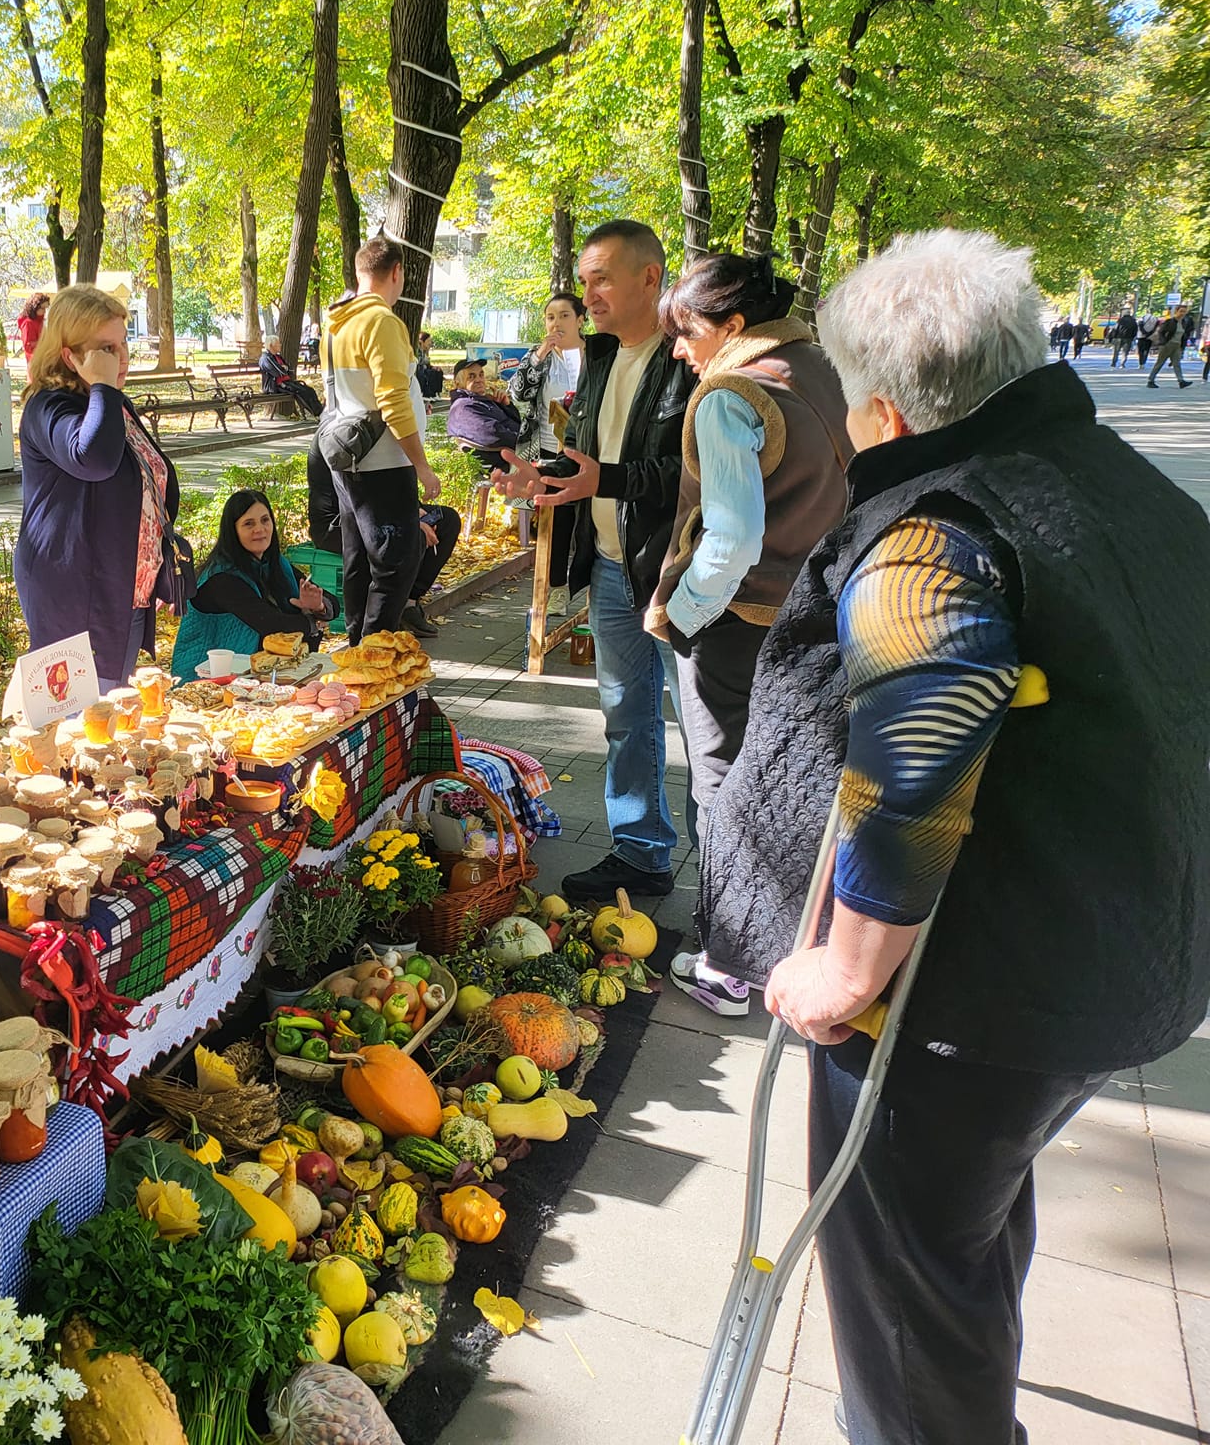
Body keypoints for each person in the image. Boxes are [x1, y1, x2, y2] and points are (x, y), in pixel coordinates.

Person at [698, 228, 1210, 1445]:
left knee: (901, 1292)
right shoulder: (1113, 480)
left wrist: (843, 965)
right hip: (1119, 951)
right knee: (960, 1224)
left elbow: (916, 750)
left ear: (876, 407)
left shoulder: (933, 529)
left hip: (970, 1001)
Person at [641, 252, 854, 1016]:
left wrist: (683, 617)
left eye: (687, 331)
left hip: (740, 624)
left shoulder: (731, 395)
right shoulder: (822, 367)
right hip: (825, 616)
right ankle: (804, 940)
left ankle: (732, 964)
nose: (678, 348)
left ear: (733, 326)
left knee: (724, 784)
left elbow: (730, 541)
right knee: (798, 779)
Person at [490, 219, 696, 903]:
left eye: (602, 277)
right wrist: (540, 477)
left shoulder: (694, 358)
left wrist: (600, 480)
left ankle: (727, 873)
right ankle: (640, 852)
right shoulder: (602, 357)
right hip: (611, 570)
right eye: (584, 281)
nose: (589, 294)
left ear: (649, 277)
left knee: (704, 733)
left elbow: (690, 473)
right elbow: (587, 459)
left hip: (679, 576)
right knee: (626, 716)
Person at [14, 284, 182, 687]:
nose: (120, 358)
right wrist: (105, 388)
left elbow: (153, 478)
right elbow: (94, 459)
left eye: (123, 345)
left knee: (110, 711)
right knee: (82, 724)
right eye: (106, 349)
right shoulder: (49, 405)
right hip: (73, 598)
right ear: (70, 354)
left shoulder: (112, 404)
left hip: (122, 590)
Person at [317, 238, 444, 644]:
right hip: (384, 464)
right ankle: (373, 653)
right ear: (397, 273)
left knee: (358, 561)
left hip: (348, 458)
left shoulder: (337, 324)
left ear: (359, 274)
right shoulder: (382, 322)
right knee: (396, 563)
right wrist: (422, 465)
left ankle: (356, 650)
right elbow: (394, 402)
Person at [170, 490, 338, 677]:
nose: (260, 529)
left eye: (265, 520)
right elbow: (271, 624)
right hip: (206, 679)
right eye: (248, 524)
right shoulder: (221, 578)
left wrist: (319, 606)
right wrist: (314, 621)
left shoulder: (275, 564)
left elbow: (330, 602)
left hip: (259, 673)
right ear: (233, 531)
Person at [304, 439, 459, 640]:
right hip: (338, 523)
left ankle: (409, 602)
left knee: (448, 520)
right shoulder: (347, 435)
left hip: (376, 512)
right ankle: (377, 628)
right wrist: (411, 521)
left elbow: (392, 486)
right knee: (410, 537)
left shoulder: (382, 436)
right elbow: (363, 498)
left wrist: (415, 510)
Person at [507, 291, 589, 460]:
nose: (556, 323)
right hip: (544, 450)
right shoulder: (539, 355)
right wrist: (540, 354)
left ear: (579, 320)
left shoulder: (597, 354)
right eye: (550, 318)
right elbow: (518, 394)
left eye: (564, 316)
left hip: (587, 450)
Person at [444, 357, 523, 471]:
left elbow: (514, 422)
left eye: (481, 375)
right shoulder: (463, 407)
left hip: (515, 453)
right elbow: (493, 434)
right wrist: (524, 441)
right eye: (471, 377)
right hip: (504, 461)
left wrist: (506, 405)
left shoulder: (481, 400)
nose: (478, 380)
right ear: (458, 384)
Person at [258, 334, 323, 417]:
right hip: (275, 386)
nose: (280, 345)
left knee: (310, 390)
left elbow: (290, 370)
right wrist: (284, 368)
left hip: (286, 382)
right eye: (278, 343)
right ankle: (316, 413)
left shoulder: (277, 356)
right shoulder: (266, 358)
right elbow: (278, 373)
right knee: (301, 391)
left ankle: (319, 411)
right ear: (271, 345)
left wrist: (284, 368)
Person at [1148, 310, 1192, 389]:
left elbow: (1183, 336)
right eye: (1180, 311)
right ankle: (1150, 380)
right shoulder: (1170, 322)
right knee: (1160, 362)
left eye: (1184, 312)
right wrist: (1164, 342)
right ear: (1176, 312)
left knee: (1177, 363)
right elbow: (1160, 332)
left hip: (1177, 345)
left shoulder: (1183, 323)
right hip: (1168, 345)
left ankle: (1181, 381)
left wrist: (1182, 347)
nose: (1182, 313)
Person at [15, 292, 50, 362]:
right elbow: (28, 346)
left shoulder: (41, 321)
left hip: (43, 360)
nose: (45, 311)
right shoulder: (28, 323)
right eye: (42, 308)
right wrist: (46, 342)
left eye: (46, 308)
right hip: (35, 362)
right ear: (35, 307)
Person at [413, 330, 445, 399]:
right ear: (422, 341)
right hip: (419, 369)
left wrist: (433, 367)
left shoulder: (425, 351)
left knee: (438, 371)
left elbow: (427, 364)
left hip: (425, 368)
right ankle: (428, 394)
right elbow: (419, 362)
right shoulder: (418, 350)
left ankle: (436, 393)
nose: (430, 343)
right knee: (430, 373)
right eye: (429, 341)